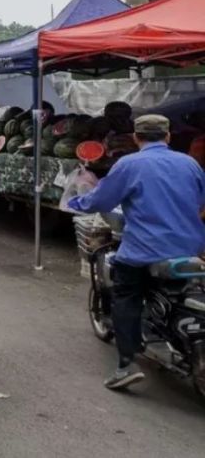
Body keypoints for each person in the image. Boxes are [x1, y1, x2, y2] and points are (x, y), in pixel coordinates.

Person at [69, 114, 205, 391]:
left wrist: (76, 201)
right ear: (168, 137)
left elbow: (103, 199)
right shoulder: (190, 163)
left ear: (135, 137)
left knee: (127, 296)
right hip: (191, 247)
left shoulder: (129, 164)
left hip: (144, 248)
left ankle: (126, 365)